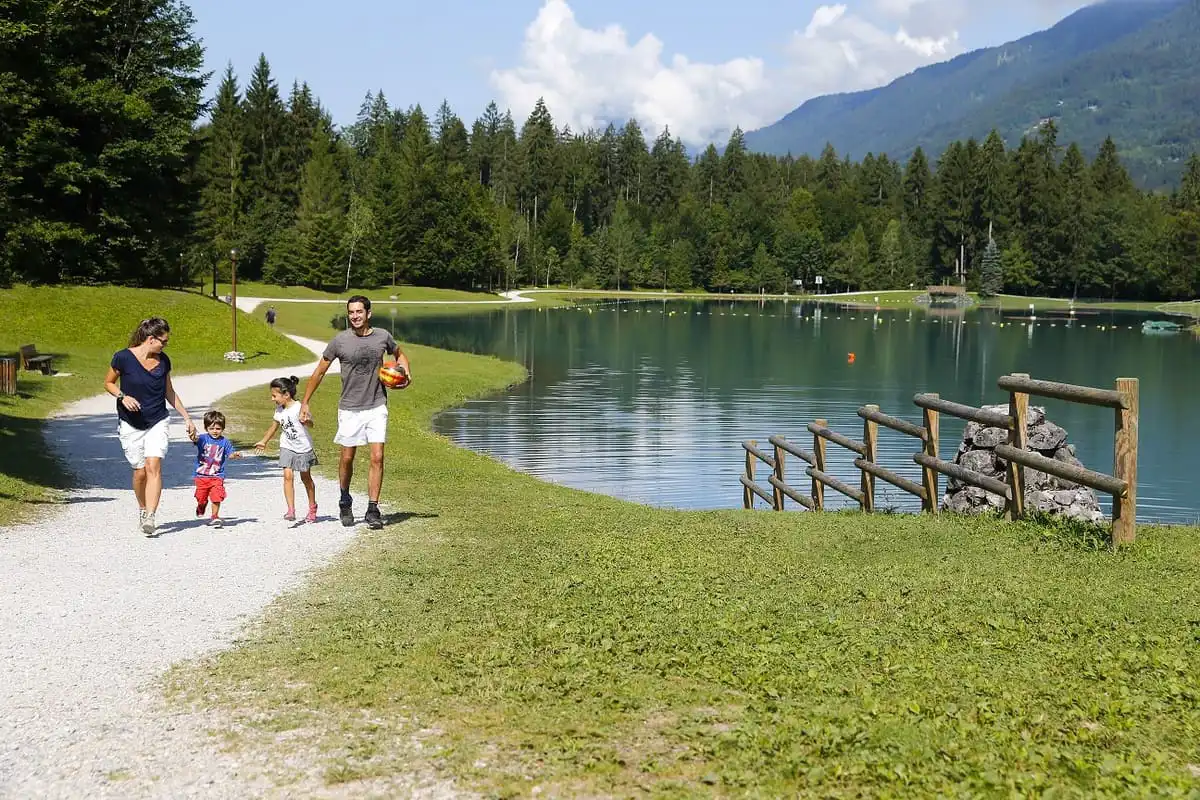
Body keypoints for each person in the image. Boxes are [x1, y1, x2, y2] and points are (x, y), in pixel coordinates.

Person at [299, 295, 410, 529]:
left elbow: (399, 354)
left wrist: (405, 372)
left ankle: (372, 509)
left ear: (368, 313)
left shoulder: (382, 336)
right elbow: (319, 372)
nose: (355, 316)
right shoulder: (340, 341)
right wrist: (306, 402)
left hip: (377, 404)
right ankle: (345, 499)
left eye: (359, 312)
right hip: (349, 408)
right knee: (347, 457)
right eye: (351, 312)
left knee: (377, 456)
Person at [104, 317, 196, 536]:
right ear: (150, 338)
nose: (165, 345)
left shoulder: (164, 361)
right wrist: (122, 396)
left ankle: (151, 517)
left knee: (154, 465)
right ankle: (142, 508)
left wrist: (187, 418)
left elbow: (169, 392)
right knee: (140, 472)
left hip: (158, 419)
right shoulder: (123, 357)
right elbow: (108, 383)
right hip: (130, 422)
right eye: (163, 341)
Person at [254, 375, 319, 523]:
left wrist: (307, 421)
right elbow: (274, 427)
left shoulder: (299, 407)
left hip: (303, 448)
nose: (272, 399)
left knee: (306, 478)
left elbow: (311, 425)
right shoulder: (279, 410)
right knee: (287, 476)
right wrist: (264, 441)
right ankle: (291, 510)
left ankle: (312, 506)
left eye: (274, 395)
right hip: (287, 446)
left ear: (286, 394)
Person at [188, 410, 244, 528]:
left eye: (218, 429)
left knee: (217, 496)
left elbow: (230, 454)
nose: (215, 431)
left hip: (217, 475)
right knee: (201, 498)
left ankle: (215, 516)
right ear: (206, 428)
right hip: (202, 476)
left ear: (222, 428)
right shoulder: (203, 439)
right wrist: (192, 435)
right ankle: (201, 505)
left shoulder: (225, 442)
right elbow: (195, 439)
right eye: (211, 428)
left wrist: (235, 455)